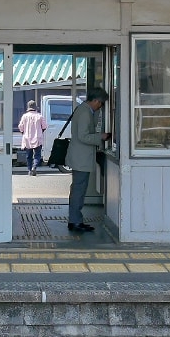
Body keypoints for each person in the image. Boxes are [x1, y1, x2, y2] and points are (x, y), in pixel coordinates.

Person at [64, 87, 111, 232]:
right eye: (101, 103)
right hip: (81, 158)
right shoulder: (85, 113)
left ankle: (76, 219)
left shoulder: (86, 110)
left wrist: (97, 113)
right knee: (79, 190)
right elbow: (83, 136)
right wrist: (101, 137)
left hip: (81, 157)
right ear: (96, 100)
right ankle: (75, 221)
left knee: (78, 189)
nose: (101, 106)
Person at [17, 99, 48, 175]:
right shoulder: (39, 116)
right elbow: (44, 126)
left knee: (29, 156)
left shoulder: (24, 116)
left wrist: (23, 133)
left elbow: (20, 127)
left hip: (27, 138)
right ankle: (35, 167)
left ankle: (29, 170)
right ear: (35, 108)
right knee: (37, 155)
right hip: (38, 138)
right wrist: (41, 131)